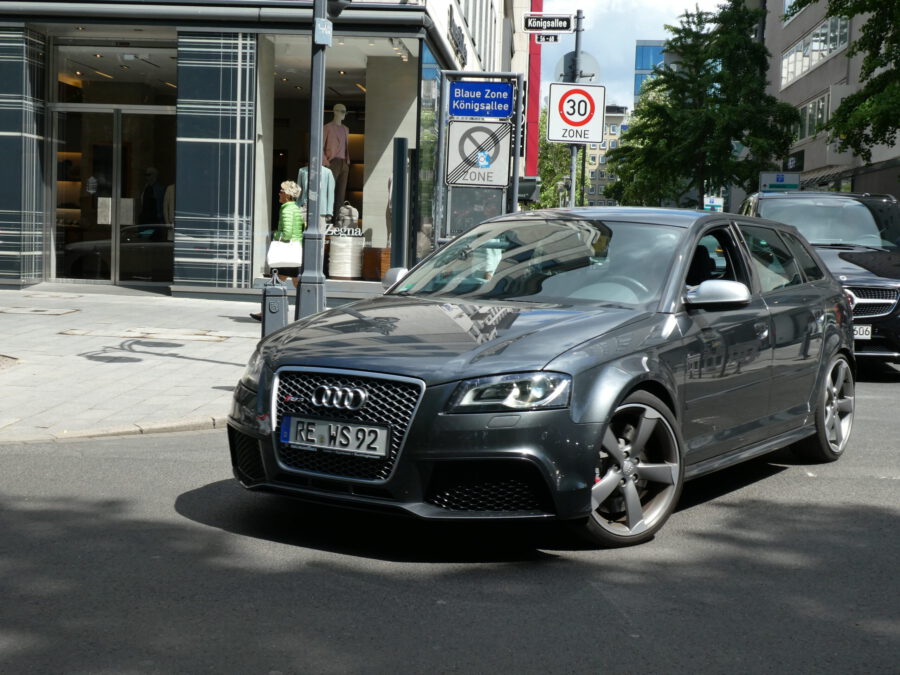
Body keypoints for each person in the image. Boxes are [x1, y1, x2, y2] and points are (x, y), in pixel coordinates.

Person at [251, 180, 305, 321]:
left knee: (277, 281)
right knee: (292, 282)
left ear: (287, 195)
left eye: (281, 191)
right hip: (294, 250)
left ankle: (270, 312)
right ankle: (300, 311)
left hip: (285, 251)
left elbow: (286, 234)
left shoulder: (287, 209)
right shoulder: (295, 208)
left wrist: (275, 234)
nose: (279, 193)